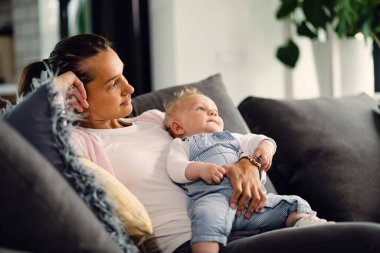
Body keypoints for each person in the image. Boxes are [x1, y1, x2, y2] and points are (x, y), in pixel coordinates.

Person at [17, 34, 267, 253]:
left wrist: (249, 163)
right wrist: (57, 85)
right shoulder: (79, 143)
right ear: (76, 94)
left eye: (122, 75)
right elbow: (21, 135)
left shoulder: (155, 119)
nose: (130, 88)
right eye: (113, 83)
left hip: (240, 221)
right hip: (190, 242)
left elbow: (223, 144)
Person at [164, 88, 332, 253]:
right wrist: (200, 169)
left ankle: (308, 226)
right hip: (213, 199)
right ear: (178, 127)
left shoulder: (233, 138)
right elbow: (175, 167)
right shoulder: (184, 144)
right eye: (201, 109)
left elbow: (262, 139)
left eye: (215, 111)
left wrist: (265, 149)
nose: (212, 113)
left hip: (253, 203)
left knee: (292, 204)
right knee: (205, 218)